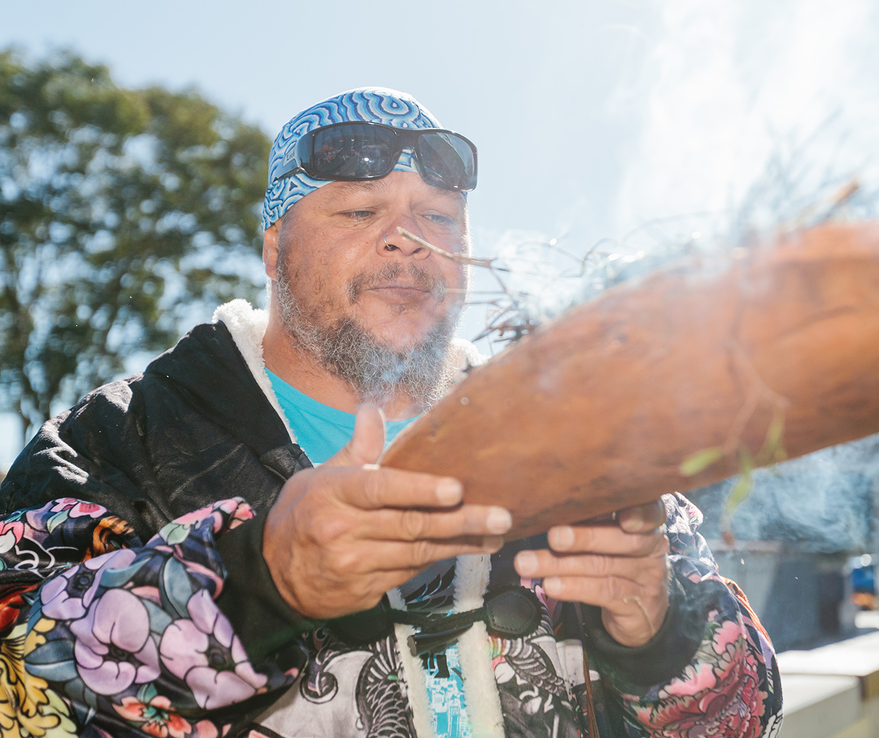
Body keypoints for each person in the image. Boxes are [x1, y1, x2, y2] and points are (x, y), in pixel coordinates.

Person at [0, 87, 782, 738]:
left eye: (439, 218)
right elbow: (16, 694)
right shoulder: (115, 441)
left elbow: (745, 716)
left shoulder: (583, 445)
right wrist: (257, 584)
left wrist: (659, 638)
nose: (409, 241)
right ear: (274, 250)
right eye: (358, 212)